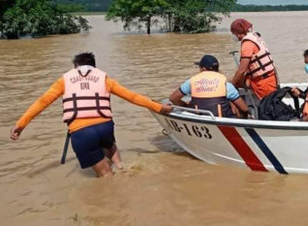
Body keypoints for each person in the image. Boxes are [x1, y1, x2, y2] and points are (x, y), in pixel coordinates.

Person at [10, 52, 172, 178]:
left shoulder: (64, 80)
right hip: (105, 128)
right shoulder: (104, 78)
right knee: (109, 144)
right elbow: (132, 97)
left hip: (82, 132)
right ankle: (121, 166)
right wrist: (159, 108)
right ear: (94, 66)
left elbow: (43, 101)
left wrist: (21, 124)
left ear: (76, 67)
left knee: (106, 177)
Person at [169, 54, 249, 118]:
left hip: (199, 119)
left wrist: (186, 106)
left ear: (203, 69)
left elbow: (173, 98)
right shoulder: (225, 83)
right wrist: (244, 117)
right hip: (223, 121)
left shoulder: (192, 81)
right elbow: (244, 108)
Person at [230, 18, 278, 99]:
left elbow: (242, 70)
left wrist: (231, 86)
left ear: (238, 32)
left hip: (263, 82)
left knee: (269, 106)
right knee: (236, 81)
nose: (234, 36)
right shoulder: (255, 37)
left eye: (234, 33)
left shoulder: (247, 43)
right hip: (269, 77)